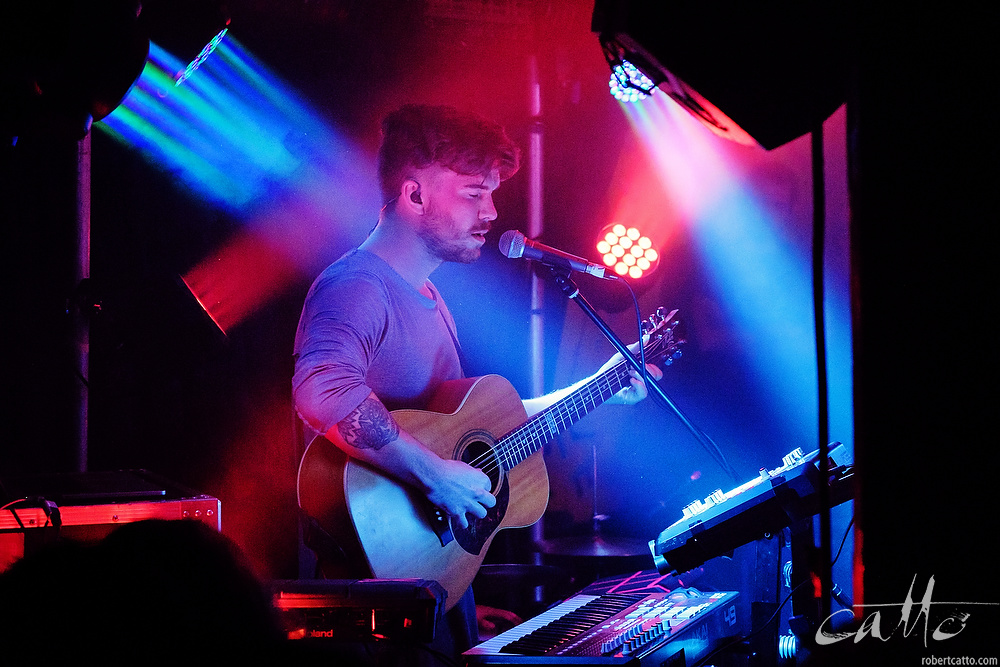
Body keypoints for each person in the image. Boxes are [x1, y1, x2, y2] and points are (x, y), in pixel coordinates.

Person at [292, 104, 661, 661]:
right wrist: (437, 475)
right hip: (372, 624)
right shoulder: (356, 286)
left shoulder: (430, 297)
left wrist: (602, 384)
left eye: (491, 193)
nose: (492, 212)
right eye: (473, 193)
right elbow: (320, 388)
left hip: (426, 597)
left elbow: (489, 427)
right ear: (414, 196)